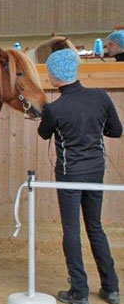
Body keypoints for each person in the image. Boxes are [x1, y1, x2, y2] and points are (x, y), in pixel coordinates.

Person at [37, 49, 121, 304]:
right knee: (95, 227)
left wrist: (45, 116)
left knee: (71, 230)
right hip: (96, 171)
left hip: (69, 174)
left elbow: (44, 134)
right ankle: (111, 288)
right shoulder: (100, 97)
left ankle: (79, 291)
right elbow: (115, 131)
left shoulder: (55, 108)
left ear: (53, 76)